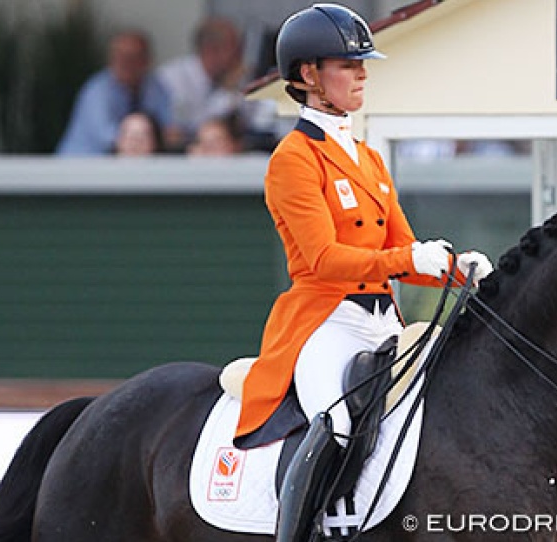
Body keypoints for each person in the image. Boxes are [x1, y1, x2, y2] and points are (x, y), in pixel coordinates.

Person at [230, 5, 494, 541]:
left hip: (381, 322)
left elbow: (403, 248)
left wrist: (457, 270)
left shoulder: (370, 160)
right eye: (348, 65)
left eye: (362, 64)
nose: (362, 74)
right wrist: (408, 261)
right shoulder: (294, 159)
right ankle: (297, 532)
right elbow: (325, 258)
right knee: (338, 421)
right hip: (323, 322)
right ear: (308, 76)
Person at [158, 16, 277, 152]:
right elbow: (187, 130)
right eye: (236, 48)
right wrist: (226, 91)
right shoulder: (173, 78)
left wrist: (235, 90)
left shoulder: (238, 76)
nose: (239, 56)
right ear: (212, 50)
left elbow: (253, 121)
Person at [57, 30, 171, 155]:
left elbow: (168, 127)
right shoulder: (97, 91)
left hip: (130, 166)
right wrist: (140, 139)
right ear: (111, 60)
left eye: (134, 57)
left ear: (147, 60)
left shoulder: (154, 86)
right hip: (82, 164)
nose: (127, 63)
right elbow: (107, 136)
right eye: (122, 57)